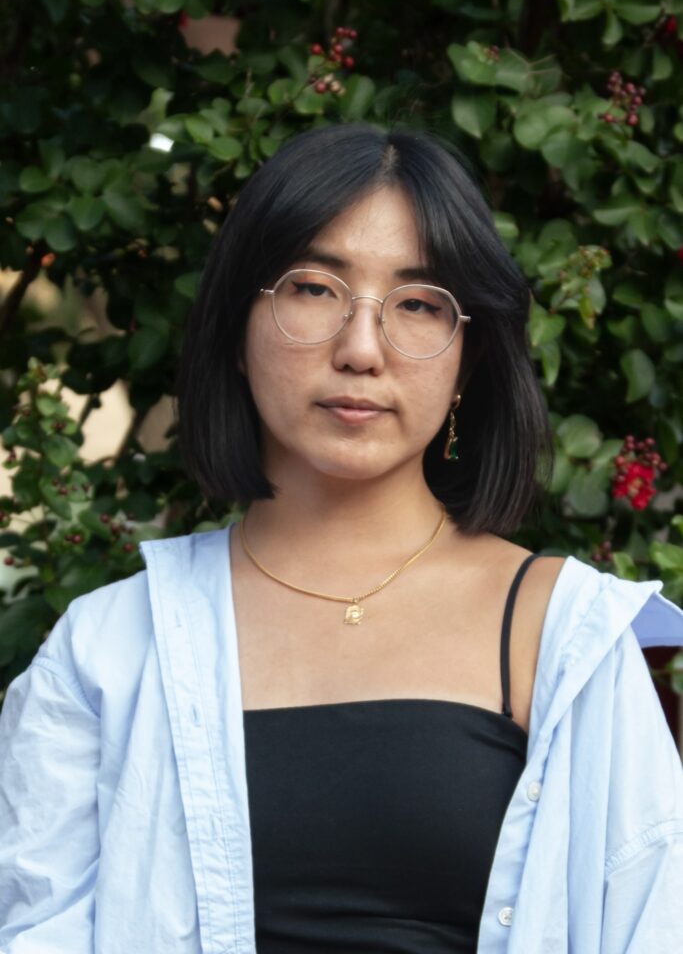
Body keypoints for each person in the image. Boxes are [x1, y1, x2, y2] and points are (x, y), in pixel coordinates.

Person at [0, 123, 681, 954]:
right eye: (314, 289)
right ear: (237, 329)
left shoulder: (569, 637)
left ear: (466, 359)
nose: (361, 349)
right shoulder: (108, 651)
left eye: (420, 304)